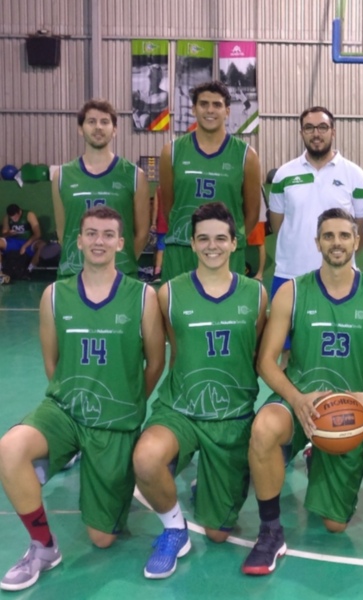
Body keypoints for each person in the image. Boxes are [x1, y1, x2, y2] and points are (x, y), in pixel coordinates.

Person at [0, 206, 164, 592]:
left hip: (116, 421)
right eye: (91, 233)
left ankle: (67, 465)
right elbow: (51, 363)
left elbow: (155, 363)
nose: (99, 241)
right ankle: (43, 546)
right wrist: (74, 401)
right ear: (79, 240)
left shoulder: (143, 297)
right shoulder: (54, 295)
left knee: (102, 538)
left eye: (108, 234)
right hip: (65, 409)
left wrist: (127, 403)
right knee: (9, 449)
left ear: (121, 243)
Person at [243, 208, 363, 576]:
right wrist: (296, 399)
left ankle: (317, 458)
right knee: (263, 429)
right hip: (298, 401)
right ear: (316, 242)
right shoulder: (293, 291)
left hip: (347, 413)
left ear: (357, 241)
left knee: (334, 525)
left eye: (344, 235)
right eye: (328, 236)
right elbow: (265, 361)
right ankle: (270, 530)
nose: (337, 243)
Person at [133, 202, 267, 579]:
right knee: (146, 458)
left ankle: (205, 482)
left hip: (232, 417)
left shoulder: (255, 295)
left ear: (234, 243)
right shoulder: (168, 294)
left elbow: (254, 353)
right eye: (203, 239)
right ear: (191, 244)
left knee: (220, 534)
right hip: (181, 409)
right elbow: (172, 351)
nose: (212, 246)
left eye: (220, 238)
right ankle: (174, 529)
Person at [269, 106, 363, 314]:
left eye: (322, 127)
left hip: (339, 276)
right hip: (290, 274)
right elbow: (277, 223)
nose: (316, 133)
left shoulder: (355, 175)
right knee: (289, 345)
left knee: (337, 342)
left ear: (333, 132)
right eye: (309, 128)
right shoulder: (283, 174)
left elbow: (362, 227)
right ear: (302, 133)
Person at [158, 80, 261, 282]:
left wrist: (227, 239)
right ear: (193, 109)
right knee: (175, 313)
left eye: (217, 105)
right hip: (182, 249)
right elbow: (169, 207)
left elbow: (252, 214)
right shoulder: (172, 151)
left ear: (227, 111)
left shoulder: (246, 156)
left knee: (227, 312)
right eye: (204, 104)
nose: (210, 110)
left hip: (225, 252)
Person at [52, 99, 150, 279]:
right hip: (72, 274)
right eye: (91, 121)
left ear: (114, 130)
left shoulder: (134, 175)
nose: (98, 127)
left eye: (105, 122)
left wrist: (122, 262)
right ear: (80, 129)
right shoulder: (62, 176)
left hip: (121, 276)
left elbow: (143, 233)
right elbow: (62, 233)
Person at [0, 204, 47, 280]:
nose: (14, 219)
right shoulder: (7, 218)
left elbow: (38, 234)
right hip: (13, 241)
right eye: (12, 218)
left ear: (19, 212)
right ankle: (0, 273)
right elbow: (4, 234)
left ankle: (29, 270)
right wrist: (9, 233)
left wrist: (24, 246)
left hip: (29, 241)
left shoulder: (29, 215)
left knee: (42, 245)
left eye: (15, 217)